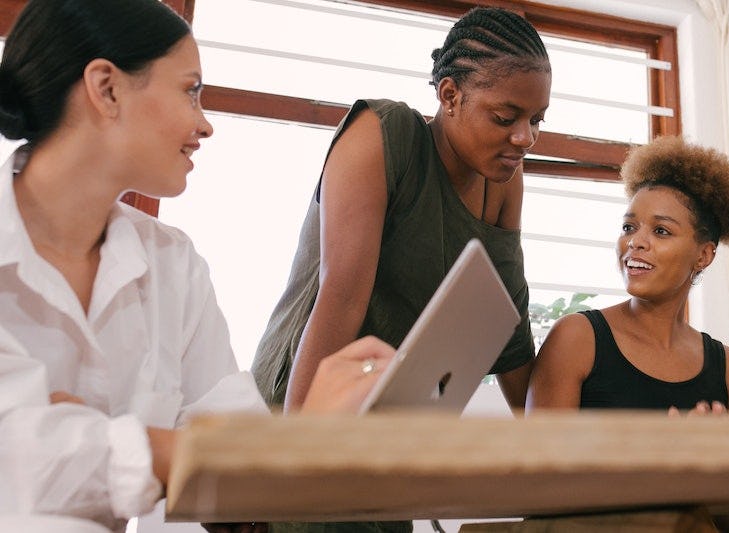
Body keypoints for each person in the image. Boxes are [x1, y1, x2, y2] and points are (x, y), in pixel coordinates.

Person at [0, 1, 395, 532]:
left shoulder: (173, 264)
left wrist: (300, 443)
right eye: (190, 90)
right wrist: (170, 453)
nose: (204, 123)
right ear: (107, 88)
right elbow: (23, 455)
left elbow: (236, 464)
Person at [251, 8, 549, 417]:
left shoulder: (504, 178)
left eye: (537, 120)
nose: (525, 137)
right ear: (450, 96)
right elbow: (342, 298)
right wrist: (300, 442)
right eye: (505, 117)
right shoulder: (381, 134)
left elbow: (510, 327)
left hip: (395, 419)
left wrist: (560, 441)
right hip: (301, 404)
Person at [525, 136, 729, 532]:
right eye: (629, 226)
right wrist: (666, 466)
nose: (635, 241)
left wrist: (719, 471)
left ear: (703, 255)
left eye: (662, 231)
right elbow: (535, 486)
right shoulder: (577, 339)